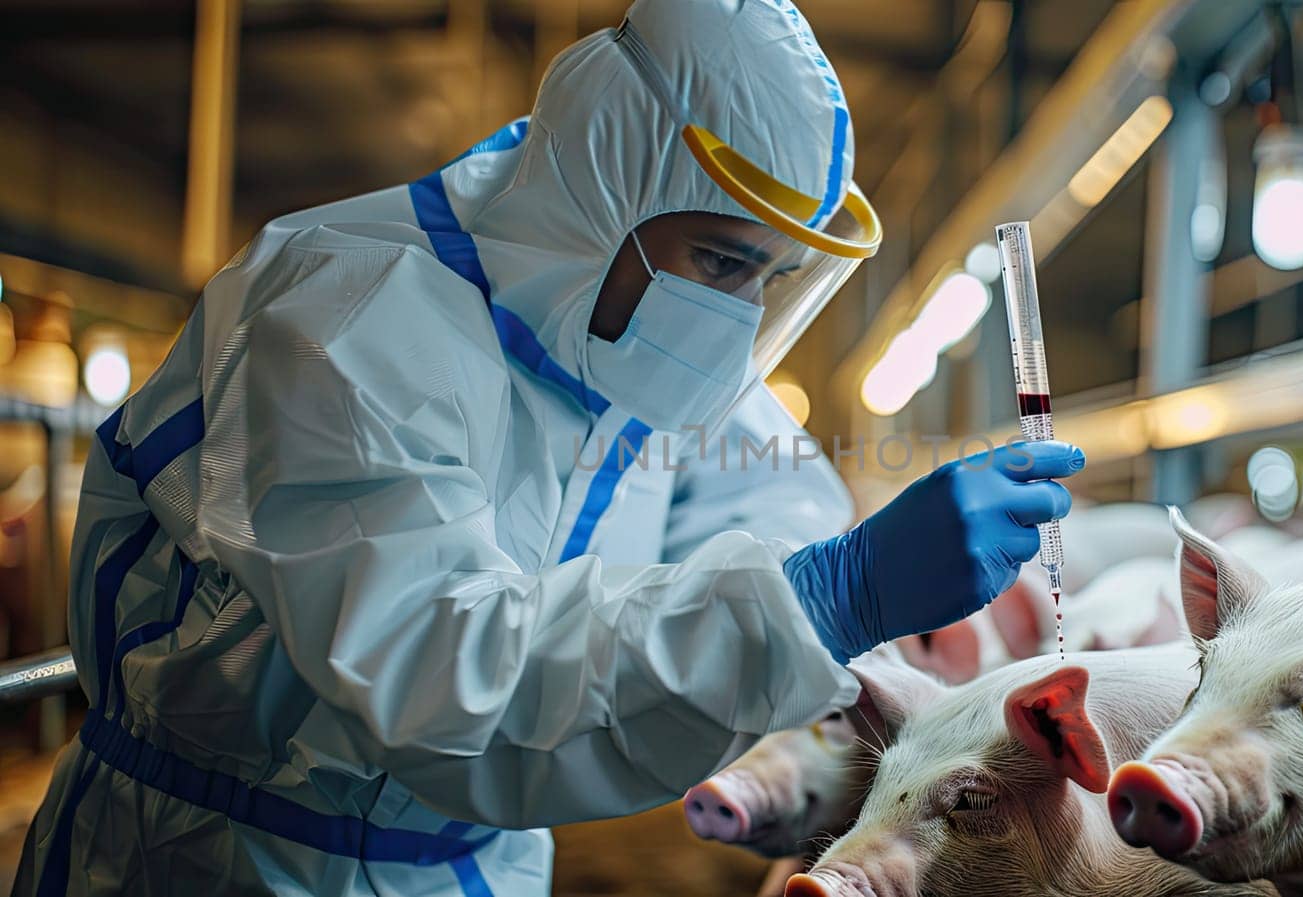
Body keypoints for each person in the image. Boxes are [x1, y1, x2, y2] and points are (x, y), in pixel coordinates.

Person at [11, 1, 1081, 894]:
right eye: (722, 260)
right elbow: (442, 679)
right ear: (603, 189)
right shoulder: (349, 319)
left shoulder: (633, 318)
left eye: (770, 278)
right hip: (218, 864)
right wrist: (825, 599)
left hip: (480, 868)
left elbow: (764, 495)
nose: (738, 315)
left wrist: (847, 639)